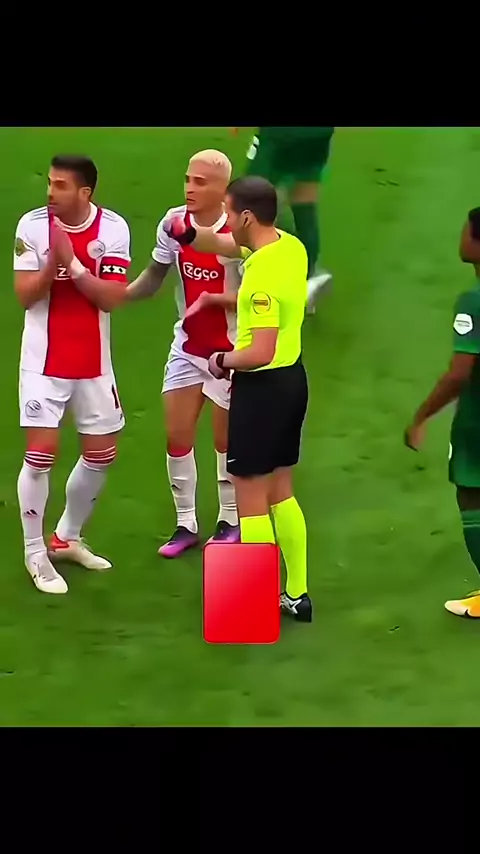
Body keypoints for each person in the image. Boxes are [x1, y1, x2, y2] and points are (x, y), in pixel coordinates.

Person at [166, 175, 312, 622]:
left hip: (261, 389)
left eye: (230, 213)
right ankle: (296, 593)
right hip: (293, 381)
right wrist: (189, 237)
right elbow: (223, 245)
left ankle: (254, 603)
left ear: (247, 216)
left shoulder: (261, 273)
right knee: (281, 491)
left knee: (249, 497)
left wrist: (221, 360)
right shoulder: (290, 248)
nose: (226, 221)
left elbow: (260, 350)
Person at [14, 154, 131, 594]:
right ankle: (35, 552)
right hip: (43, 362)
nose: (50, 192)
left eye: (60, 185)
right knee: (41, 454)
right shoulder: (31, 226)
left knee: (102, 454)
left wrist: (75, 266)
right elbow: (24, 296)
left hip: (93, 362)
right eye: (49, 183)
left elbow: (111, 298)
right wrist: (52, 264)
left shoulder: (113, 229)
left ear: (85, 192)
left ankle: (66, 537)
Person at [125, 150, 242, 557]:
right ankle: (185, 524)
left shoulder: (238, 233)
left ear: (223, 190)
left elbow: (257, 296)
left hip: (230, 354)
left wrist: (216, 300)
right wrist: (119, 295)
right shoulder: (173, 223)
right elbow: (155, 275)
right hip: (188, 347)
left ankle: (230, 520)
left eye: (201, 182)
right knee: (177, 435)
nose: (190, 188)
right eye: (188, 179)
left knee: (225, 442)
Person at [405, 207, 480, 619]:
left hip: (476, 422)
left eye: (466, 231)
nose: (461, 238)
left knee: (471, 495)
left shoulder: (473, 302)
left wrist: (421, 416)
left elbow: (459, 374)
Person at [232, 126, 334, 314]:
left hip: (280, 135)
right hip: (319, 135)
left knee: (250, 200)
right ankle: (308, 279)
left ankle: (264, 279)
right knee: (304, 198)